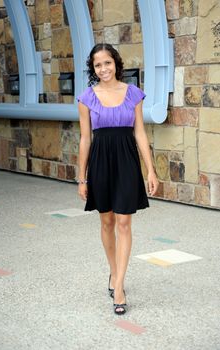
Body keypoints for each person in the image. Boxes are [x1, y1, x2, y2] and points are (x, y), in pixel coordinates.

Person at [77, 43, 159, 315]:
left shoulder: (133, 94)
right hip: (100, 162)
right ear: (93, 68)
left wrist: (150, 170)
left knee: (124, 221)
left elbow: (140, 134)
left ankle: (120, 286)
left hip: (126, 161)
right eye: (98, 65)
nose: (103, 69)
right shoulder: (87, 97)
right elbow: (85, 139)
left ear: (116, 63)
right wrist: (81, 178)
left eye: (107, 63)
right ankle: (113, 272)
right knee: (107, 220)